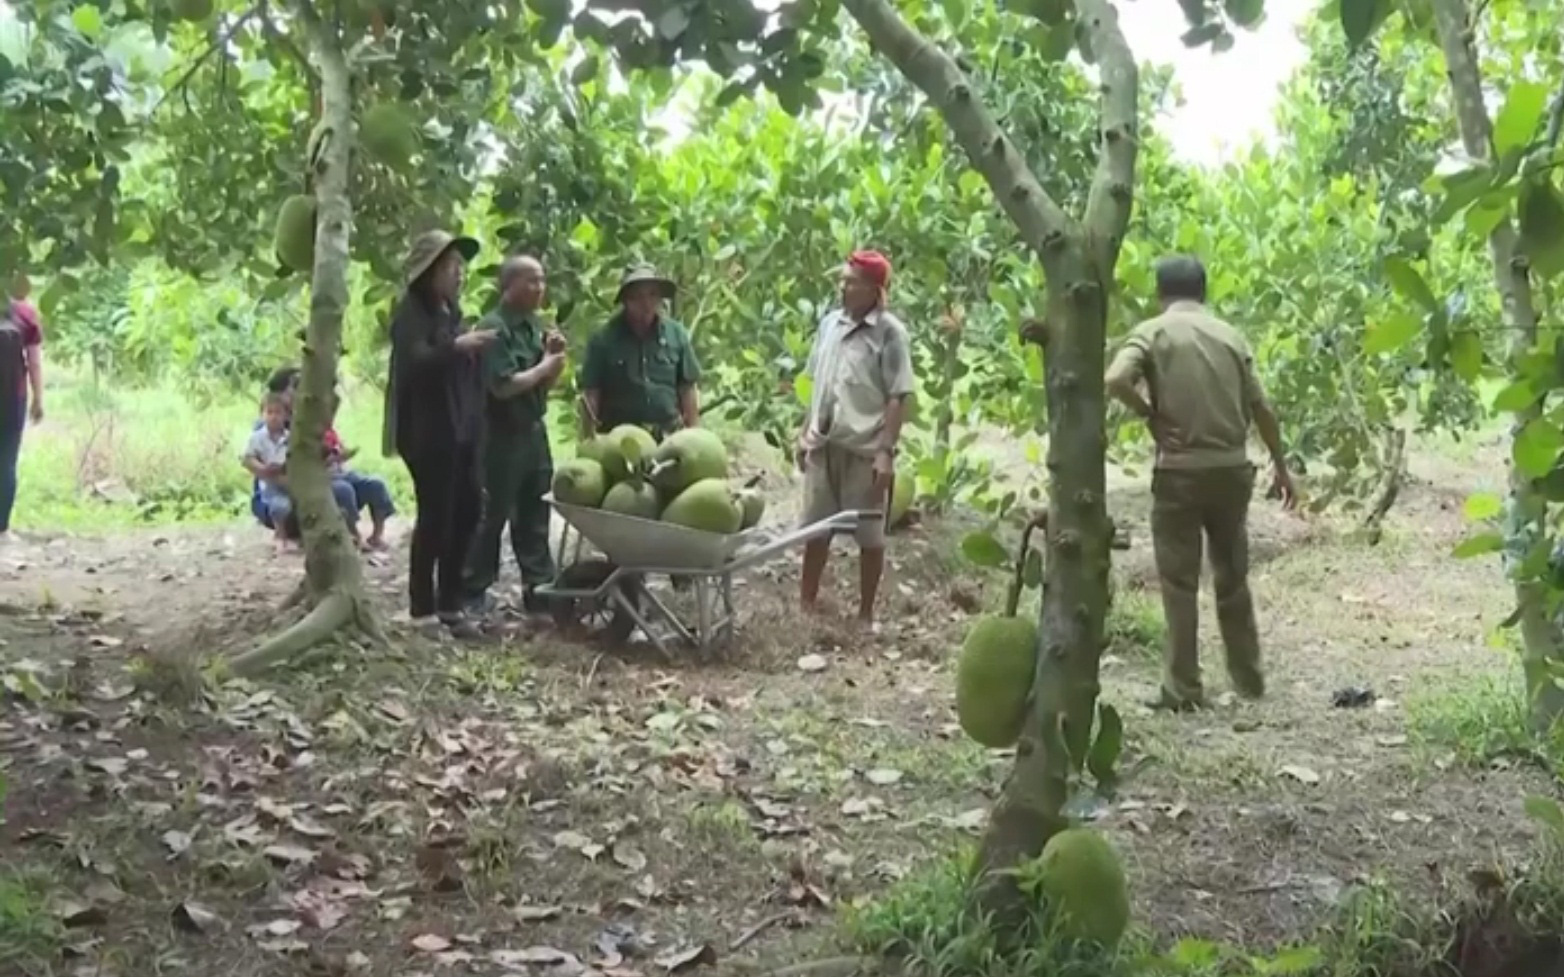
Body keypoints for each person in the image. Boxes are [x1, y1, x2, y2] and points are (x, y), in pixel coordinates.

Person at [1104, 254, 1297, 712]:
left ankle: (1183, 688)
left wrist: (1149, 413)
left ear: (1160, 293)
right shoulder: (1230, 336)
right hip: (1231, 470)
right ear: (1204, 293)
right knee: (1233, 577)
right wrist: (1281, 465)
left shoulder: (1153, 332)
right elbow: (1261, 407)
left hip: (1179, 471)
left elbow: (1115, 378)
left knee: (1179, 582)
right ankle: (1249, 680)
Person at [794, 250, 915, 631]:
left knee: (869, 534)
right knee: (816, 528)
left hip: (863, 447)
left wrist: (886, 452)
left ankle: (865, 613)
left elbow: (898, 395)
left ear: (874, 291)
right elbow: (815, 382)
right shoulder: (830, 324)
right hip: (823, 440)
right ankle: (806, 604)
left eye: (852, 282)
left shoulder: (890, 333)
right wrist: (803, 429)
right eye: (842, 280)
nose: (843, 288)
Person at [383, 229, 496, 637]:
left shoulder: (452, 312)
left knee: (468, 511)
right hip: (428, 432)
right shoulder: (410, 315)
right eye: (451, 267)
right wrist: (459, 347)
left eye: (460, 267)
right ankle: (422, 607)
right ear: (429, 272)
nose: (458, 274)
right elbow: (416, 363)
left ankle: (451, 603)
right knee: (436, 515)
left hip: (461, 428)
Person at [463, 255, 567, 616]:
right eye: (530, 281)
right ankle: (472, 591)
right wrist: (544, 367)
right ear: (507, 287)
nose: (539, 288)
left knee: (535, 512)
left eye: (541, 280)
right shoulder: (494, 328)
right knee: (491, 514)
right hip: (500, 438)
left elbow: (543, 385)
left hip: (534, 433)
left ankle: (539, 591)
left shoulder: (533, 327)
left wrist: (555, 359)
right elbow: (503, 387)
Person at [580, 264, 700, 439]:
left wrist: (694, 432)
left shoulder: (676, 335)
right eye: (638, 297)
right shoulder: (603, 340)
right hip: (619, 439)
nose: (646, 303)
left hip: (668, 435)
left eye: (652, 295)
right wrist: (588, 438)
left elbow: (687, 388)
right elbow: (592, 393)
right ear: (626, 300)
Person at [0, 276, 45, 541]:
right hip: (12, 398)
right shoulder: (25, 313)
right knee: (5, 462)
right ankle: (2, 529)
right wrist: (38, 399)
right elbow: (35, 362)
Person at [323, 393, 395, 550]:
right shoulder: (306, 437)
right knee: (344, 490)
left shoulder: (332, 432)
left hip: (343, 473)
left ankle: (377, 534)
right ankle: (354, 534)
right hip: (325, 479)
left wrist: (345, 454)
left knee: (376, 484)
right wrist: (334, 459)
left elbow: (340, 452)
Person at [243, 391, 296, 554]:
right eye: (269, 412)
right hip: (269, 484)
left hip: (288, 481)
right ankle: (280, 536)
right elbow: (247, 459)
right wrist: (263, 469)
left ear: (286, 416)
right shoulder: (257, 438)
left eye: (278, 412)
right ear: (262, 415)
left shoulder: (291, 438)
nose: (274, 417)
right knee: (280, 505)